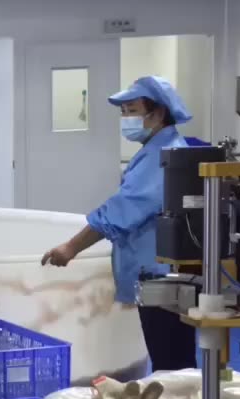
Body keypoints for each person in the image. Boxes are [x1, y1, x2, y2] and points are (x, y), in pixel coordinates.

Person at [41, 76, 195, 372]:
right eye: (123, 112)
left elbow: (122, 212)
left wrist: (71, 247)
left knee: (172, 363)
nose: (126, 119)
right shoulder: (160, 150)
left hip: (161, 277)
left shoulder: (163, 156)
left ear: (158, 113)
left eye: (132, 110)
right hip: (164, 274)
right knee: (174, 360)